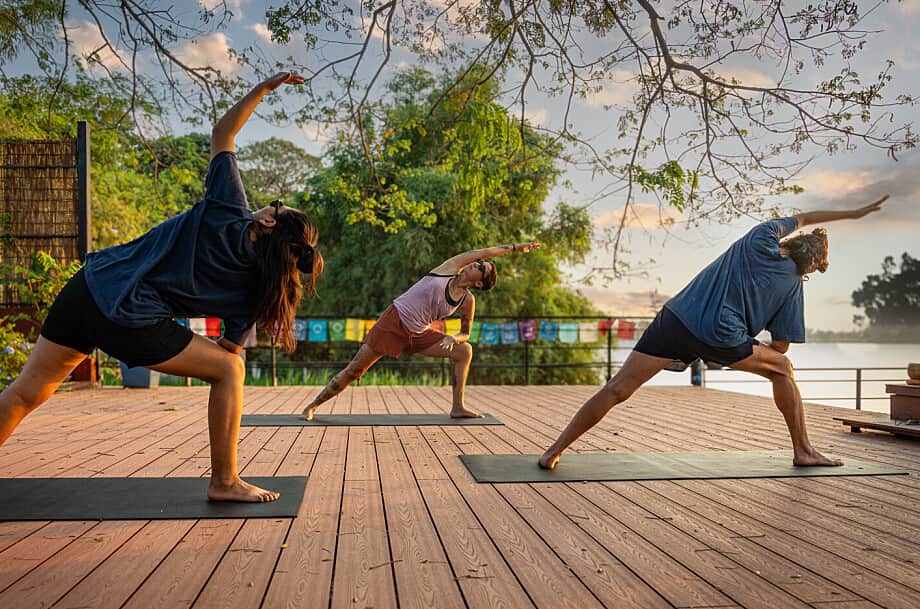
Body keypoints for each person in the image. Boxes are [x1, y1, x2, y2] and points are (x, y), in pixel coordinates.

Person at [0, 72, 322, 506]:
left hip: (88, 287)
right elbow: (227, 353)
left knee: (26, 390)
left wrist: (263, 89)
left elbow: (223, 132)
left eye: (275, 205)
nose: (269, 204)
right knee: (230, 370)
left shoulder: (227, 207)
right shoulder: (258, 293)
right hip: (131, 321)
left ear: (267, 220)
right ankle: (225, 480)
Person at [538, 196, 890, 470]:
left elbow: (807, 216)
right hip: (722, 335)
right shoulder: (794, 285)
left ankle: (554, 451)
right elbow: (781, 347)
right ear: (811, 265)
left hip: (676, 317)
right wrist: (752, 343)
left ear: (792, 241)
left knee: (617, 388)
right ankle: (804, 450)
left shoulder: (761, 237)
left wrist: (853, 213)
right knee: (783, 370)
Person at [301, 242, 541, 421]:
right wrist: (516, 248)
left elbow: (466, 332)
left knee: (464, 351)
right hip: (394, 322)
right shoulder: (449, 268)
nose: (476, 262)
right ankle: (313, 406)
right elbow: (484, 251)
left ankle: (458, 407)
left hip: (419, 334)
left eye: (480, 267)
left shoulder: (467, 301)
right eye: (479, 262)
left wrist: (453, 337)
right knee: (355, 370)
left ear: (479, 282)